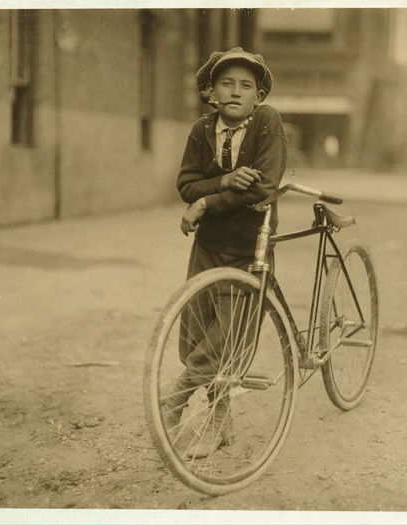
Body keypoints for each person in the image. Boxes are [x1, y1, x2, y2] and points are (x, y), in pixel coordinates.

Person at [165, 47, 287, 457]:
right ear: (211, 92)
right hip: (209, 244)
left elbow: (265, 185)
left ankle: (176, 398)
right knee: (197, 328)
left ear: (259, 95)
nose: (235, 92)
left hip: (249, 243)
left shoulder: (267, 123)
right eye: (226, 84)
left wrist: (206, 202)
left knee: (229, 334)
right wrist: (227, 181)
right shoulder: (202, 130)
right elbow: (185, 183)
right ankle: (221, 424)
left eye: (246, 86)